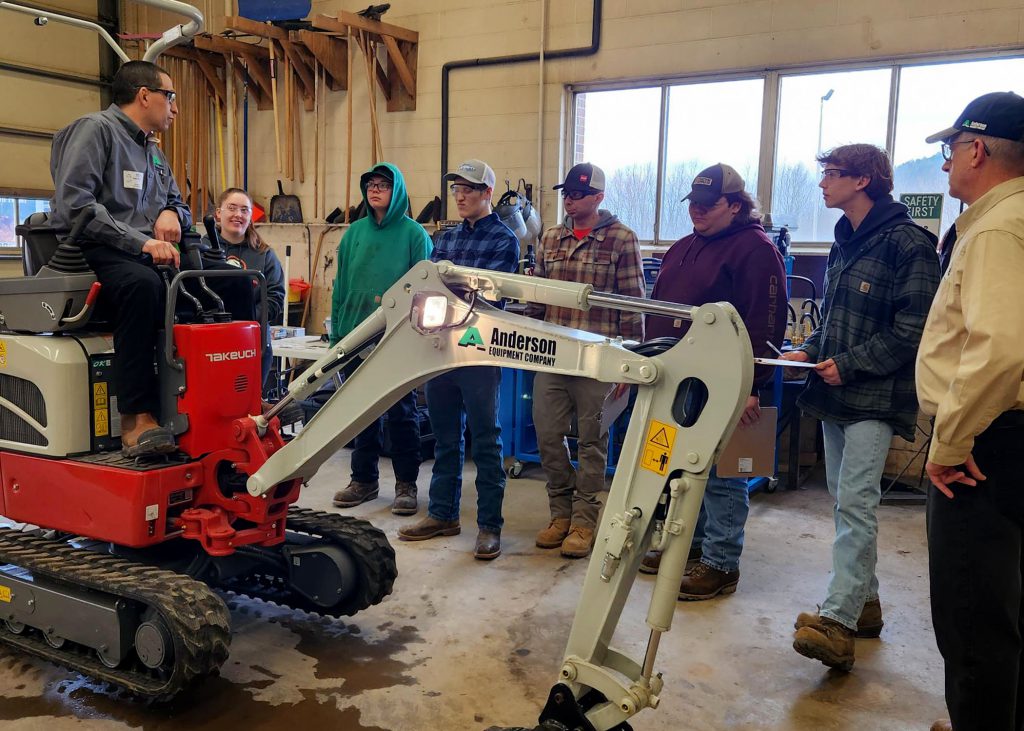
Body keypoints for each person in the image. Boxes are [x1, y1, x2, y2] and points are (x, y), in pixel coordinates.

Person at [779, 144, 939, 672]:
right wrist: (810, 349)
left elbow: (913, 330)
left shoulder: (909, 244)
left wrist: (849, 364)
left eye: (832, 174)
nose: (823, 183)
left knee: (855, 505)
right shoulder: (844, 239)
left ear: (864, 180)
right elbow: (833, 319)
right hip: (837, 395)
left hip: (875, 398)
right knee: (843, 500)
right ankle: (866, 605)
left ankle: (839, 621)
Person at [49, 60, 255, 458]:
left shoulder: (153, 151)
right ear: (144, 96)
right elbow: (76, 206)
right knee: (142, 287)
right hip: (97, 250)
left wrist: (171, 213)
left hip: (152, 252)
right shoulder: (95, 131)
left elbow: (178, 203)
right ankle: (136, 417)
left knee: (235, 281)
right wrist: (140, 243)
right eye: (170, 96)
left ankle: (241, 398)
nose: (175, 107)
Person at [914, 92, 1024, 731]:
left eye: (951, 150)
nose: (946, 163)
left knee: (972, 617)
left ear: (976, 149)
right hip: (1008, 432)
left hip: (986, 441)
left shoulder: (994, 228)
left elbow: (1000, 348)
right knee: (1006, 605)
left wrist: (950, 443)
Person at [640, 163, 787, 599]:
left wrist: (752, 386)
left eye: (708, 204)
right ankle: (692, 543)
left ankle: (722, 563)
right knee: (683, 467)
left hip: (724, 380)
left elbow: (766, 322)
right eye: (694, 204)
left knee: (724, 473)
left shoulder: (756, 250)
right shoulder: (683, 247)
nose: (697, 211)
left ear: (735, 205)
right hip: (676, 375)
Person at [397, 159, 519, 560]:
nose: (460, 196)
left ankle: (490, 527)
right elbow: (428, 286)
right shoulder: (445, 239)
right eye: (456, 189)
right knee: (446, 437)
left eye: (468, 189)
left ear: (487, 193)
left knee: (485, 439)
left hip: (479, 350)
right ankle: (442, 514)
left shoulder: (504, 240)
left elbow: (487, 297)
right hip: (441, 348)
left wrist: (451, 288)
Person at [528, 162, 645, 558]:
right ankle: (559, 514)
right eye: (567, 194)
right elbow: (536, 297)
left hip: (599, 360)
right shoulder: (550, 237)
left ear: (598, 197)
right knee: (547, 435)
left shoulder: (621, 239)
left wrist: (629, 362)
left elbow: (633, 303)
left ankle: (583, 521)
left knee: (592, 442)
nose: (570, 200)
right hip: (553, 356)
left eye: (579, 194)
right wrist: (527, 343)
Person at [331, 163, 432, 516]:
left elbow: (425, 291)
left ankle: (406, 484)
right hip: (355, 334)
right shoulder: (353, 233)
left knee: (402, 414)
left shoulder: (414, 235)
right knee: (361, 413)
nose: (375, 190)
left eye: (383, 185)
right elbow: (340, 285)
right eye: (371, 184)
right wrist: (337, 334)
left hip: (397, 338)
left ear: (397, 190)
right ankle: (363, 480)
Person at [205, 188, 285, 389]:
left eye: (244, 210)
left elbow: (275, 297)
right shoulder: (202, 250)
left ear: (250, 216)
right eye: (232, 208)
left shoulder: (265, 254)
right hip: (209, 341)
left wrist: (245, 320)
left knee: (247, 400)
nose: (238, 215)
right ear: (218, 213)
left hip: (252, 342)